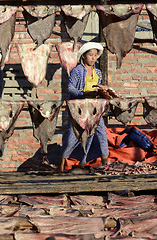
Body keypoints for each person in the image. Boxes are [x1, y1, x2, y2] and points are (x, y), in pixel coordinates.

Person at [60, 42, 109, 172]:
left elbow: (97, 89)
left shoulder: (97, 72)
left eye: (95, 55)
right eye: (90, 55)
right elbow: (70, 89)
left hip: (94, 109)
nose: (93, 58)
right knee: (72, 136)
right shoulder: (77, 71)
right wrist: (83, 93)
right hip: (79, 109)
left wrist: (102, 90)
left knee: (101, 134)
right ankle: (62, 164)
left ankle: (106, 164)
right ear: (83, 57)